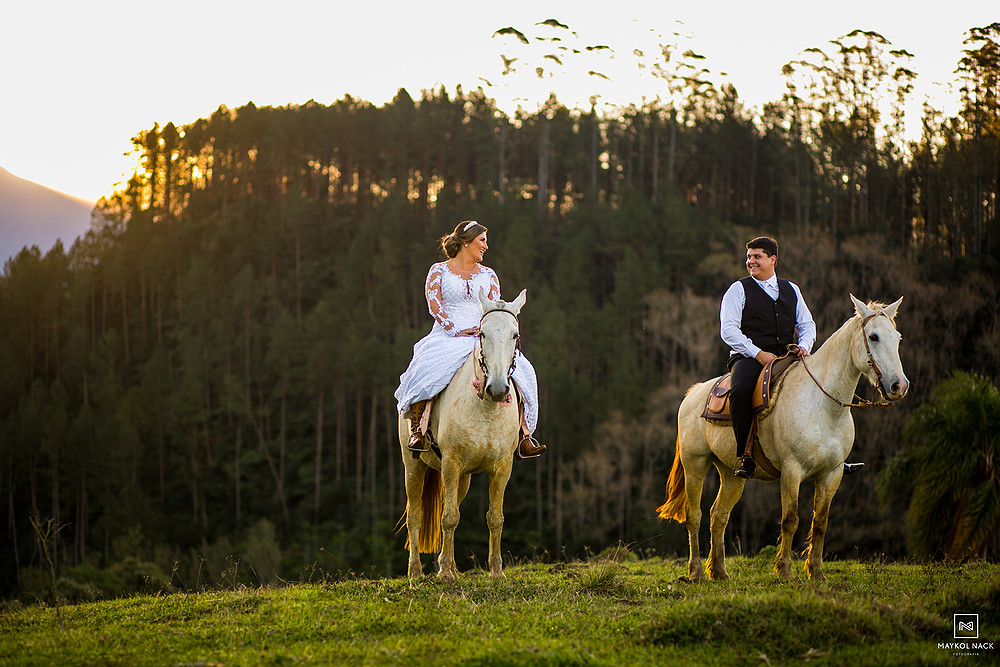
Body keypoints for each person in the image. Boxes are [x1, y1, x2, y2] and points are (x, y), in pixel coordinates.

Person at [394, 220, 545, 459]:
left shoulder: (489, 275)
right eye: (482, 240)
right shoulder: (438, 271)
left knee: (524, 369)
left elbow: (493, 309)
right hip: (447, 334)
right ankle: (418, 430)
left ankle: (523, 435)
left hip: (481, 336)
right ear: (466, 242)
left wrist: (489, 329)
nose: (486, 245)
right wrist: (455, 329)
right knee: (425, 367)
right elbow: (435, 305)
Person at [720, 236, 863, 479]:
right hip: (748, 357)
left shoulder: (791, 289)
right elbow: (728, 330)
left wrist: (805, 346)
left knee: (824, 386)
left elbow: (807, 324)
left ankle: (836, 456)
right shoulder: (738, 289)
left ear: (772, 259)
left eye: (757, 257)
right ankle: (746, 454)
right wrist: (758, 353)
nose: (750, 262)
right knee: (741, 390)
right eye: (749, 257)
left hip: (788, 356)